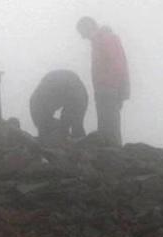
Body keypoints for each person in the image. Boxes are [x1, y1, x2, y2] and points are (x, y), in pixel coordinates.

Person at [76, 16, 130, 146]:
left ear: (89, 27)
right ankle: (109, 156)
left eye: (82, 33)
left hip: (108, 89)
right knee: (107, 126)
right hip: (106, 89)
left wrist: (117, 89)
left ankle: (114, 157)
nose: (83, 37)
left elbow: (118, 65)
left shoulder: (105, 39)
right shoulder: (100, 40)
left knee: (109, 127)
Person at [29, 70, 88, 141]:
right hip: (78, 90)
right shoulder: (39, 102)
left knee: (70, 127)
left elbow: (44, 127)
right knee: (75, 127)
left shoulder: (38, 104)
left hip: (72, 89)